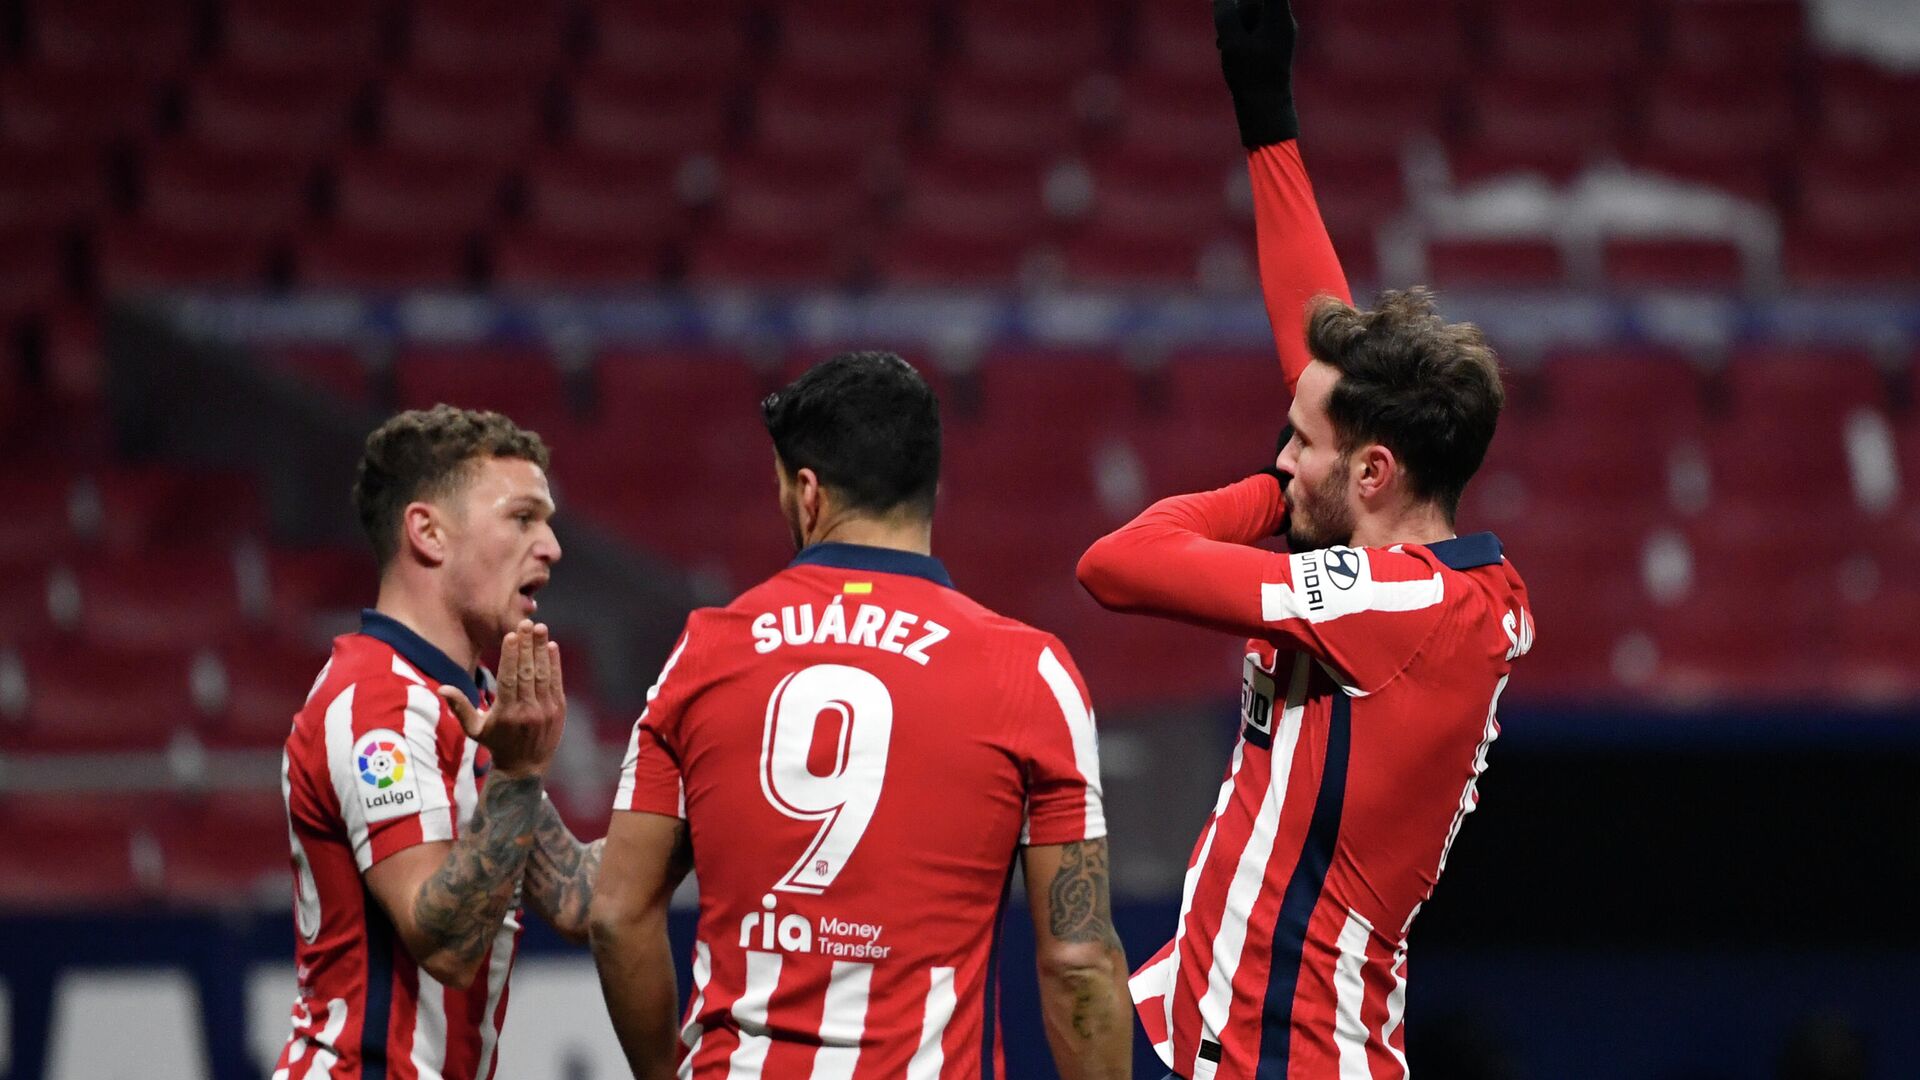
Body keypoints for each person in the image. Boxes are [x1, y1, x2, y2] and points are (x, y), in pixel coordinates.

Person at [1075, 3, 1534, 1077]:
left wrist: (1258, 494)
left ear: (1372, 472)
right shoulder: (1423, 573)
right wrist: (1267, 121)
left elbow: (1117, 564)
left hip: (1292, 1047)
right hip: (1235, 1024)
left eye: (1299, 444)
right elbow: (1317, 350)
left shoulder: (1397, 612)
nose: (1283, 452)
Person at [588, 352, 1132, 1079]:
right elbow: (1080, 958)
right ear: (931, 486)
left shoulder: (704, 652)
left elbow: (616, 913)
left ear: (807, 492)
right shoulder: (1029, 673)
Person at [275, 405, 603, 1079]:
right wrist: (517, 772)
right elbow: (449, 946)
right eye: (521, 518)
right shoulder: (375, 703)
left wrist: (712, 788)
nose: (551, 546)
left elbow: (581, 901)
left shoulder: (468, 700)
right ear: (427, 532)